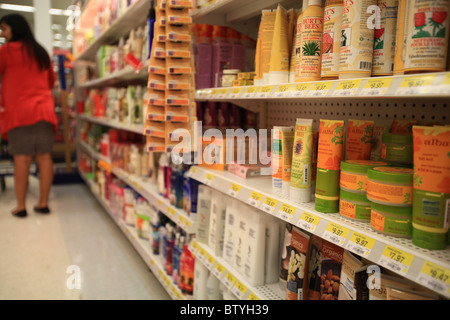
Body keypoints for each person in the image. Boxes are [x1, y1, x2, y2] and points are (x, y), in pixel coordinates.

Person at [0, 14, 58, 218]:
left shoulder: (5, 51)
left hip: (19, 113)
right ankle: (43, 203)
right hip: (44, 111)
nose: (2, 34)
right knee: (44, 157)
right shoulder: (41, 51)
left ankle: (21, 206)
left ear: (15, 29)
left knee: (21, 159)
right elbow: (51, 82)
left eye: (4, 29)